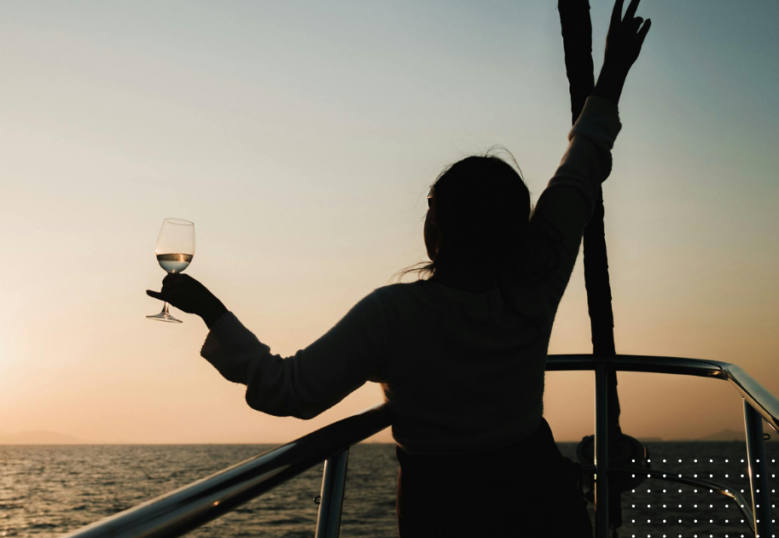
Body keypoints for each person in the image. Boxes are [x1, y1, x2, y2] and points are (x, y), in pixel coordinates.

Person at [146, 0, 651, 535]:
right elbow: (581, 168)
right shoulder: (535, 283)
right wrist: (613, 74)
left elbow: (289, 390)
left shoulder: (394, 315)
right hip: (541, 501)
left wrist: (211, 309)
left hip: (446, 511)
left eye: (431, 207)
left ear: (440, 231)